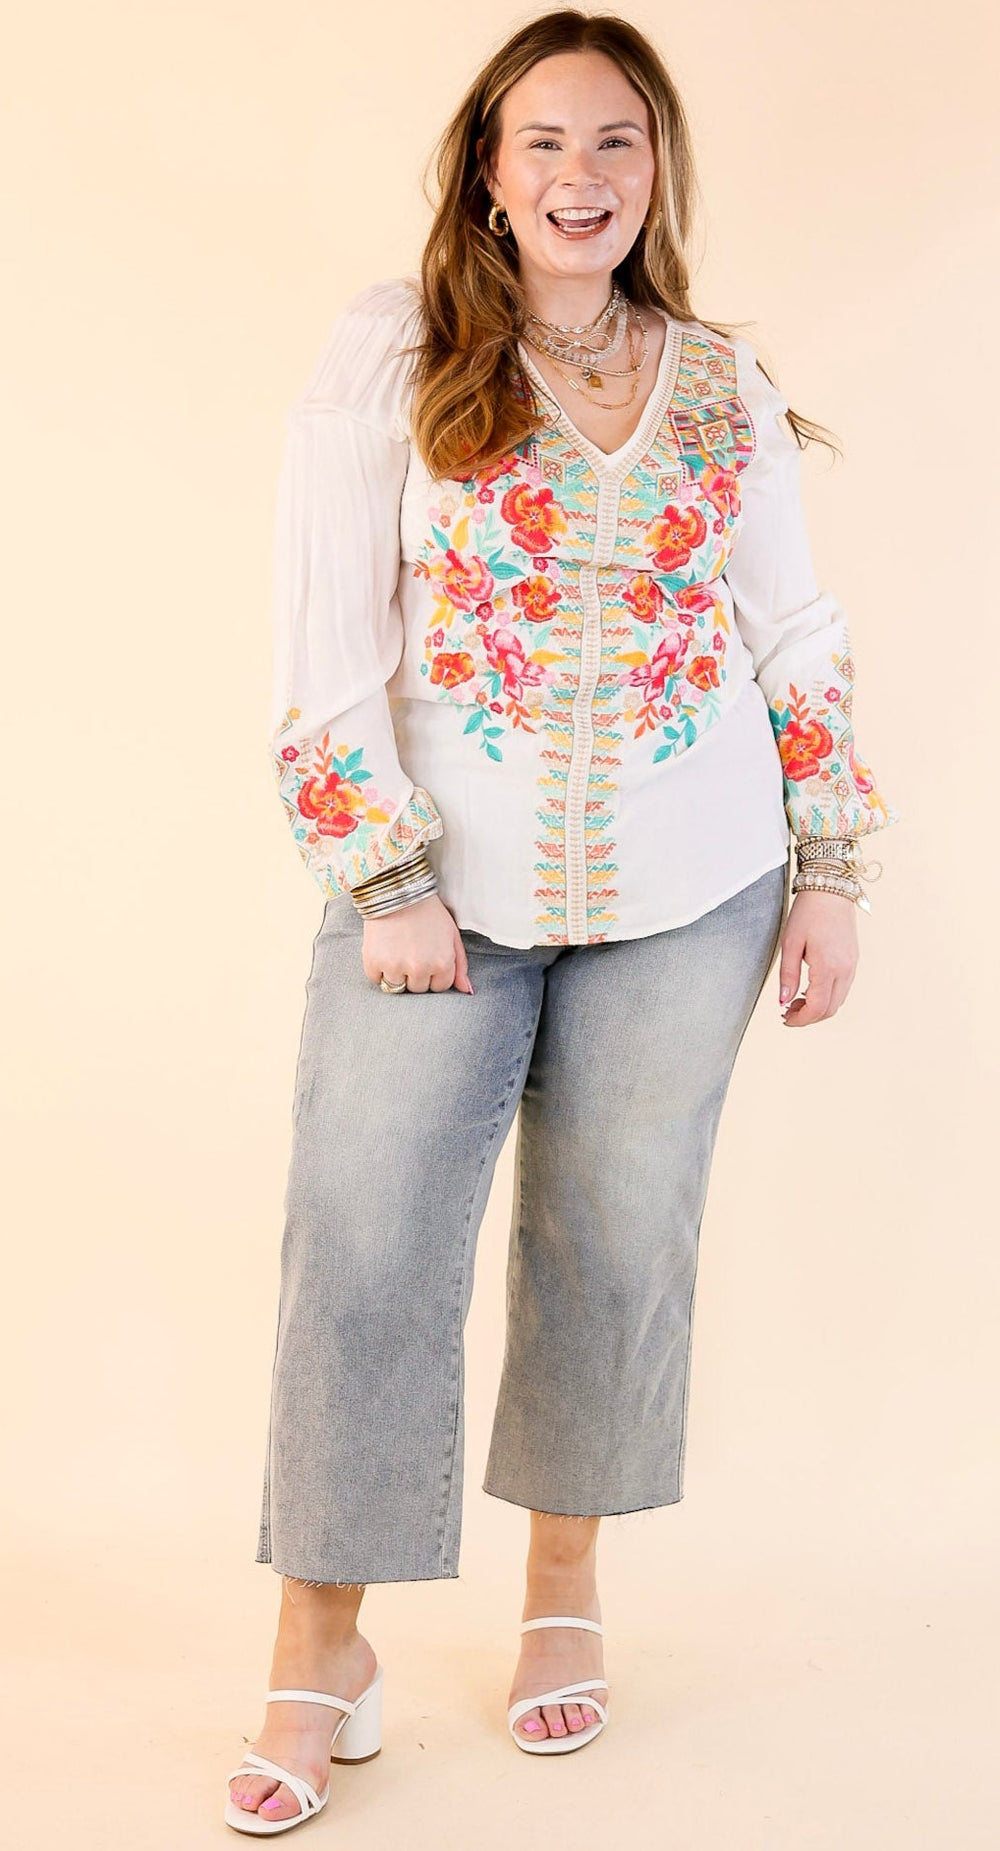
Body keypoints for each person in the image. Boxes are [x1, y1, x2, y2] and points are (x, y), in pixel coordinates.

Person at [225, 8, 900, 1833]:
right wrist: (384, 876)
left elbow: (793, 633)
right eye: (545, 141)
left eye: (618, 140)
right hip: (437, 901)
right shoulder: (396, 350)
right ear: (487, 169)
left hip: (695, 889)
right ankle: (323, 1647)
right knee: (367, 1247)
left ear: (656, 170)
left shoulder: (722, 380)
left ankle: (564, 1590)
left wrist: (830, 870)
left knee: (615, 1241)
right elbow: (324, 637)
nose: (581, 174)